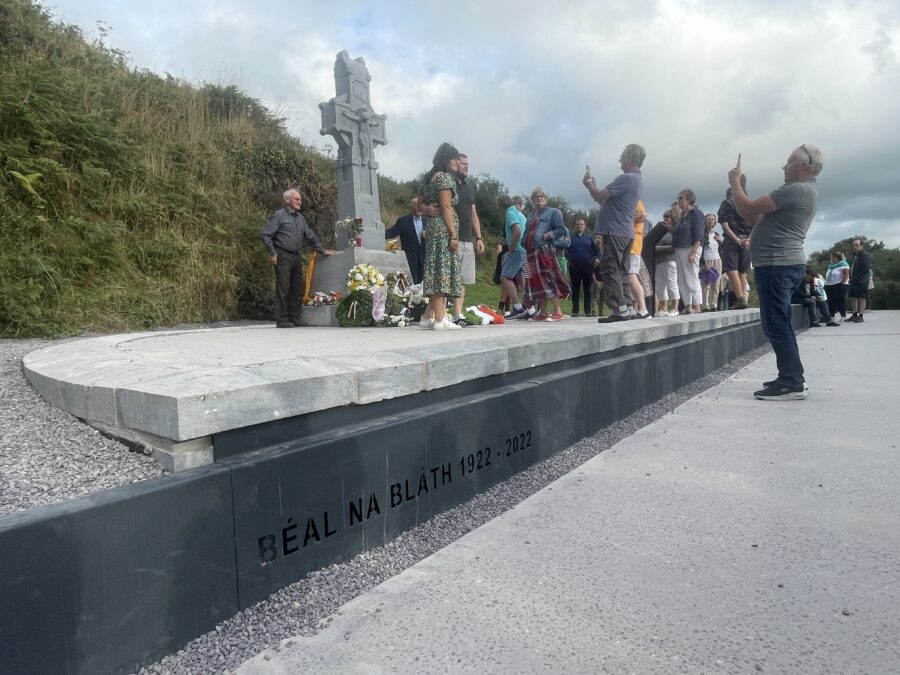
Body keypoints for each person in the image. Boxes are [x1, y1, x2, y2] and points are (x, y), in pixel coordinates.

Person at [728, 144, 824, 400]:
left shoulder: (797, 189)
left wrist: (735, 183)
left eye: (789, 162)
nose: (784, 166)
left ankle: (791, 382)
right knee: (778, 322)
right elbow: (751, 218)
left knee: (776, 323)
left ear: (804, 166)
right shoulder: (803, 191)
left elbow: (747, 209)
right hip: (779, 264)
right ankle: (791, 377)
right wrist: (742, 189)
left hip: (777, 264)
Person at [583, 144, 646, 323]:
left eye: (623, 156)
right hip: (626, 232)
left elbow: (600, 195)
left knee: (610, 270)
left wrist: (589, 183)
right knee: (622, 271)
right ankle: (627, 308)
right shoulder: (636, 180)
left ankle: (619, 310)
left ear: (632, 158)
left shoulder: (626, 179)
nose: (620, 159)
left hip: (616, 232)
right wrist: (592, 187)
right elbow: (601, 199)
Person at [260, 189, 335, 328]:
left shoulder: (300, 218)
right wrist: (273, 252)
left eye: (300, 199)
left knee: (298, 288)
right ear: (287, 200)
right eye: (297, 199)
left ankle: (294, 317)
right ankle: (282, 319)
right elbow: (265, 235)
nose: (300, 201)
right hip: (282, 254)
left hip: (296, 256)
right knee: (283, 288)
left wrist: (322, 250)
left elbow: (310, 235)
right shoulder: (279, 215)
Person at [421, 142, 463, 331]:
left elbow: (418, 205)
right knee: (442, 272)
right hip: (443, 229)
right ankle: (440, 319)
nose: (457, 161)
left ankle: (426, 317)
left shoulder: (428, 178)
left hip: (432, 228)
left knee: (436, 269)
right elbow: (446, 206)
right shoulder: (445, 178)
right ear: (445, 159)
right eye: (454, 158)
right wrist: (453, 234)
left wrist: (427, 209)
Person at [522, 187, 571, 321]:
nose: (539, 198)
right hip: (531, 252)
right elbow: (526, 232)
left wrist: (547, 235)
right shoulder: (531, 214)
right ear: (532, 200)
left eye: (542, 196)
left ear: (546, 198)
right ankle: (543, 313)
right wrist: (523, 243)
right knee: (537, 282)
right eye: (536, 196)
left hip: (544, 249)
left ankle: (558, 311)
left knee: (548, 278)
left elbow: (561, 230)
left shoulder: (553, 212)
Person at [451, 154, 485, 326]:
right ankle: (441, 314)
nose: (466, 167)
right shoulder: (447, 183)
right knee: (451, 279)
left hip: (467, 239)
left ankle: (457, 315)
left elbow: (473, 214)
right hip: (452, 239)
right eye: (463, 164)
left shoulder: (469, 187)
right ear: (455, 164)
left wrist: (479, 237)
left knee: (463, 279)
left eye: (467, 164)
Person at [717, 182, 752, 309]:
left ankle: (740, 299)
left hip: (732, 240)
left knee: (732, 270)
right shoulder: (748, 204)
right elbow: (755, 224)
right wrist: (748, 239)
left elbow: (725, 225)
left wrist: (737, 239)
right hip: (746, 241)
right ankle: (742, 298)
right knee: (742, 271)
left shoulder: (727, 203)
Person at [672, 189, 704, 314]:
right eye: (678, 198)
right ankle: (688, 306)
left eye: (681, 198)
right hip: (680, 249)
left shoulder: (696, 213)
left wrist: (694, 252)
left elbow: (699, 235)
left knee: (692, 278)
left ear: (689, 200)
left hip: (690, 248)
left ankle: (697, 307)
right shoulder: (682, 216)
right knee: (681, 279)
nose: (678, 200)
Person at [498, 194, 529, 320]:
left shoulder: (510, 213)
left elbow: (517, 230)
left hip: (516, 250)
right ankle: (530, 309)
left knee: (505, 277)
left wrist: (510, 247)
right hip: (524, 249)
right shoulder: (519, 213)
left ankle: (518, 307)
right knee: (522, 279)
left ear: (501, 206)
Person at [385, 198, 426, 284]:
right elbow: (391, 233)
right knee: (412, 286)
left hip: (425, 260)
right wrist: (376, 232)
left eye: (421, 206)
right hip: (410, 260)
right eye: (417, 206)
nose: (420, 208)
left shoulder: (428, 221)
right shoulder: (403, 221)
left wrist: (429, 235)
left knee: (425, 288)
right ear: (412, 207)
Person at [566, 218, 600, 316]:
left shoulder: (589, 238)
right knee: (575, 289)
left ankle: (588, 311)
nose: (579, 226)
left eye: (581, 224)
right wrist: (568, 259)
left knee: (587, 289)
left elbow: (597, 250)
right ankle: (575, 311)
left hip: (587, 266)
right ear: (575, 226)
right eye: (577, 224)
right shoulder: (571, 238)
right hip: (574, 266)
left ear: (584, 226)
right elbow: (565, 250)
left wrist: (598, 259)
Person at [653, 210, 680, 317]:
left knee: (672, 284)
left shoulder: (674, 232)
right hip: (659, 261)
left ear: (673, 218)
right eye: (664, 217)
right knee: (660, 286)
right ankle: (664, 308)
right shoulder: (661, 232)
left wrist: (660, 248)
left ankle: (675, 308)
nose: (665, 219)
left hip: (670, 260)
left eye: (667, 217)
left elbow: (675, 246)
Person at [626, 201, 651, 318]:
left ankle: (643, 310)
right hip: (627, 246)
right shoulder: (628, 200)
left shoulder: (635, 201)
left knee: (632, 277)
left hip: (633, 247)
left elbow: (642, 216)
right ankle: (634, 308)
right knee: (628, 278)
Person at [700, 213, 723, 311]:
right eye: (708, 219)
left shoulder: (717, 234)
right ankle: (705, 306)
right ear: (705, 221)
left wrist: (722, 241)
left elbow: (722, 249)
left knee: (716, 284)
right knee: (705, 284)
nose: (710, 221)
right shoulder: (701, 234)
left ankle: (714, 306)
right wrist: (703, 263)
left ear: (715, 221)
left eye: (712, 219)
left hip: (717, 259)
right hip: (706, 259)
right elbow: (700, 249)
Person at [847, 239, 872, 322]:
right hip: (852, 280)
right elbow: (852, 266)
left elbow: (865, 268)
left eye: (857, 245)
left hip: (861, 280)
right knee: (852, 297)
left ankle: (861, 316)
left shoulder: (865, 255)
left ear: (861, 246)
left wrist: (860, 278)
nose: (855, 246)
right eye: (854, 245)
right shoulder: (854, 255)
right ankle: (854, 315)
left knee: (861, 298)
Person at [823, 251, 850, 321]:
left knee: (840, 301)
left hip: (839, 285)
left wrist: (842, 284)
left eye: (832, 257)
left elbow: (846, 275)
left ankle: (843, 316)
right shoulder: (831, 266)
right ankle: (831, 316)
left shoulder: (843, 264)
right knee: (831, 301)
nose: (831, 259)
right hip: (829, 285)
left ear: (836, 258)